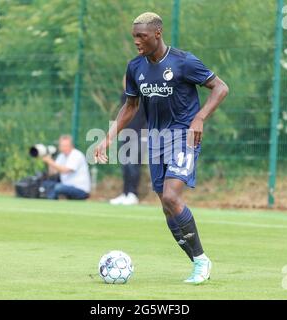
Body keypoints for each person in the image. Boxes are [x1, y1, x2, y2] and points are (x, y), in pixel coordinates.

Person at [94, 12, 229, 284]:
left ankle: (202, 260)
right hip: (156, 141)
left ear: (157, 33)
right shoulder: (135, 67)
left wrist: (200, 117)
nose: (136, 41)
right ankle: (196, 263)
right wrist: (108, 137)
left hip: (183, 137)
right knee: (166, 207)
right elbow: (130, 106)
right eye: (134, 36)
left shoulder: (183, 61)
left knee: (170, 197)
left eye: (141, 36)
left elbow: (220, 87)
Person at [110, 75, 147, 205]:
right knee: (125, 164)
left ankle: (133, 194)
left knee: (133, 164)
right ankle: (125, 193)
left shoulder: (144, 95)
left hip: (141, 134)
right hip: (125, 133)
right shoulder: (124, 96)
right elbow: (122, 116)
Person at [42, 135, 91, 200]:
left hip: (80, 190)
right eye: (62, 146)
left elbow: (65, 170)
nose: (64, 148)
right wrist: (49, 159)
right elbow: (52, 172)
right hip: (65, 186)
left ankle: (50, 203)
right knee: (46, 184)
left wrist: (50, 162)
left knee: (58, 187)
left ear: (71, 146)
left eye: (66, 146)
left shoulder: (76, 155)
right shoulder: (61, 156)